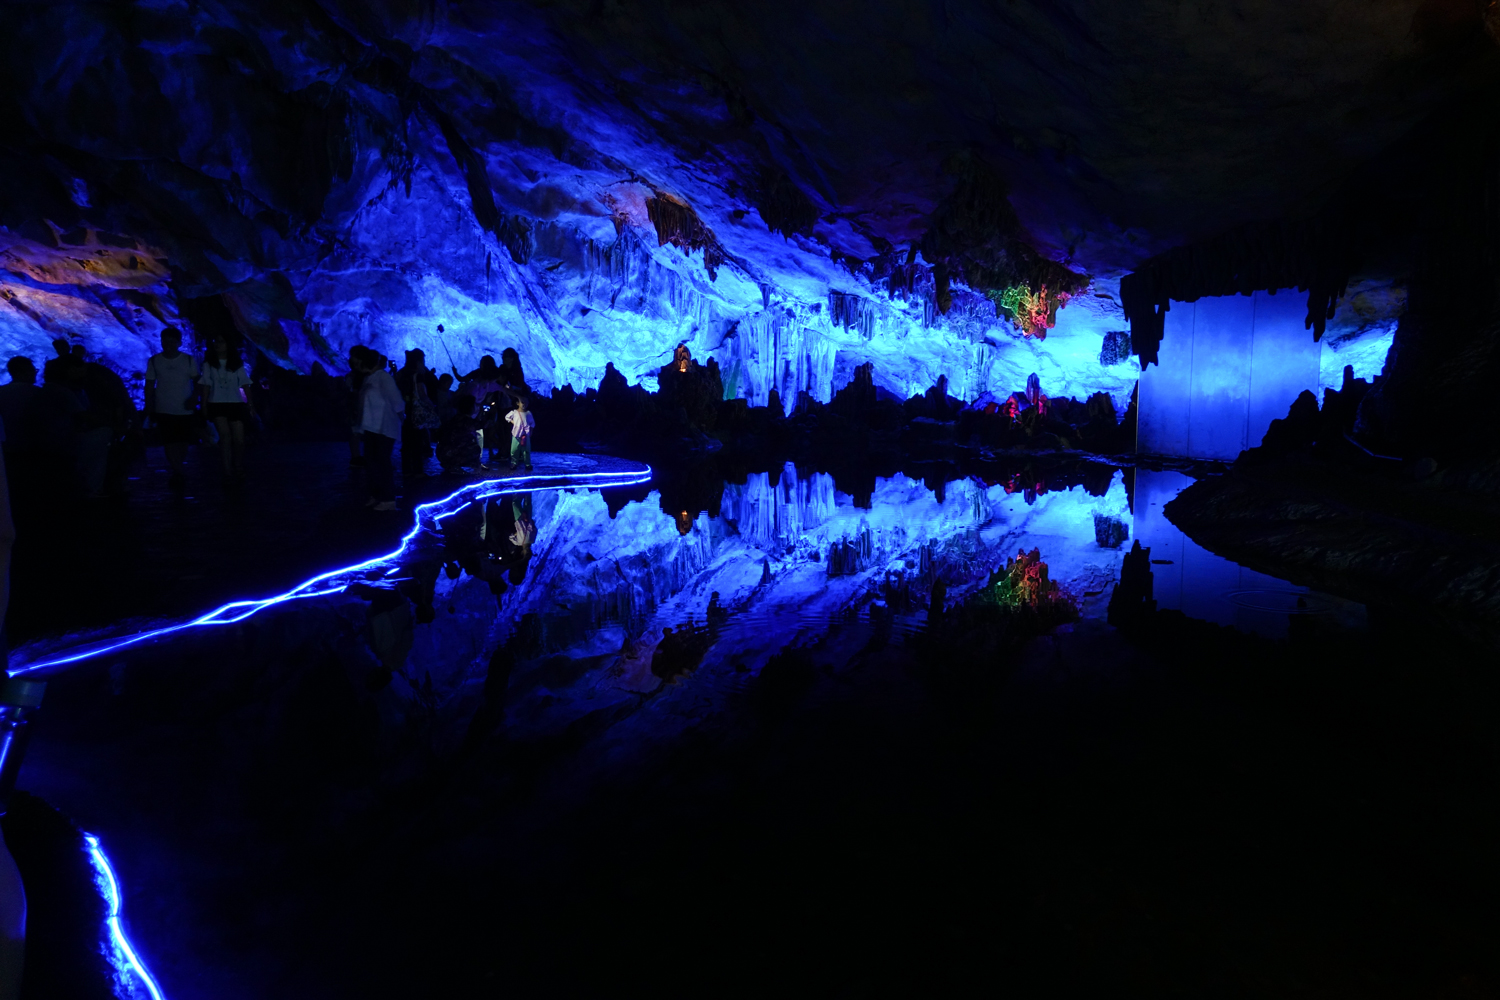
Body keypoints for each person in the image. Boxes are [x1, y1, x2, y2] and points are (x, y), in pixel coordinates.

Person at [144, 328, 199, 488]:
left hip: (184, 408)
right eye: (165, 341)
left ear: (179, 343)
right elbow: (149, 385)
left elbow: (198, 381)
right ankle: (177, 471)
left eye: (171, 342)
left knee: (182, 441)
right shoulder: (154, 361)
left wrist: (194, 398)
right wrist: (149, 405)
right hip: (164, 408)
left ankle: (178, 468)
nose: (168, 345)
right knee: (169, 441)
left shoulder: (188, 360)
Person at [355, 346, 405, 510]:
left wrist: (401, 419)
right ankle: (376, 495)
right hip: (371, 427)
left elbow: (396, 399)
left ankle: (388, 499)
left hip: (383, 427)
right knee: (372, 463)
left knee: (382, 463)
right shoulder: (369, 377)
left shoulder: (383, 377)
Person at [198, 338, 252, 481]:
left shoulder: (236, 363)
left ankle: (237, 464)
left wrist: (250, 403)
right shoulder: (209, 364)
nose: (218, 344)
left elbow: (245, 383)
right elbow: (206, 384)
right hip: (217, 403)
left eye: (222, 341)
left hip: (235, 403)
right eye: (215, 341)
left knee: (239, 439)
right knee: (225, 437)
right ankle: (227, 469)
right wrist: (203, 404)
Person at [504, 395, 534, 472]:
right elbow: (507, 417)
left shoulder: (528, 413)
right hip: (516, 434)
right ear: (518, 403)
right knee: (514, 450)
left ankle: (527, 464)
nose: (524, 404)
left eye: (526, 403)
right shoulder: (514, 412)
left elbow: (532, 423)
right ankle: (514, 463)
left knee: (526, 450)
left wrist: (531, 432)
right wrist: (513, 422)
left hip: (525, 435)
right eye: (522, 402)